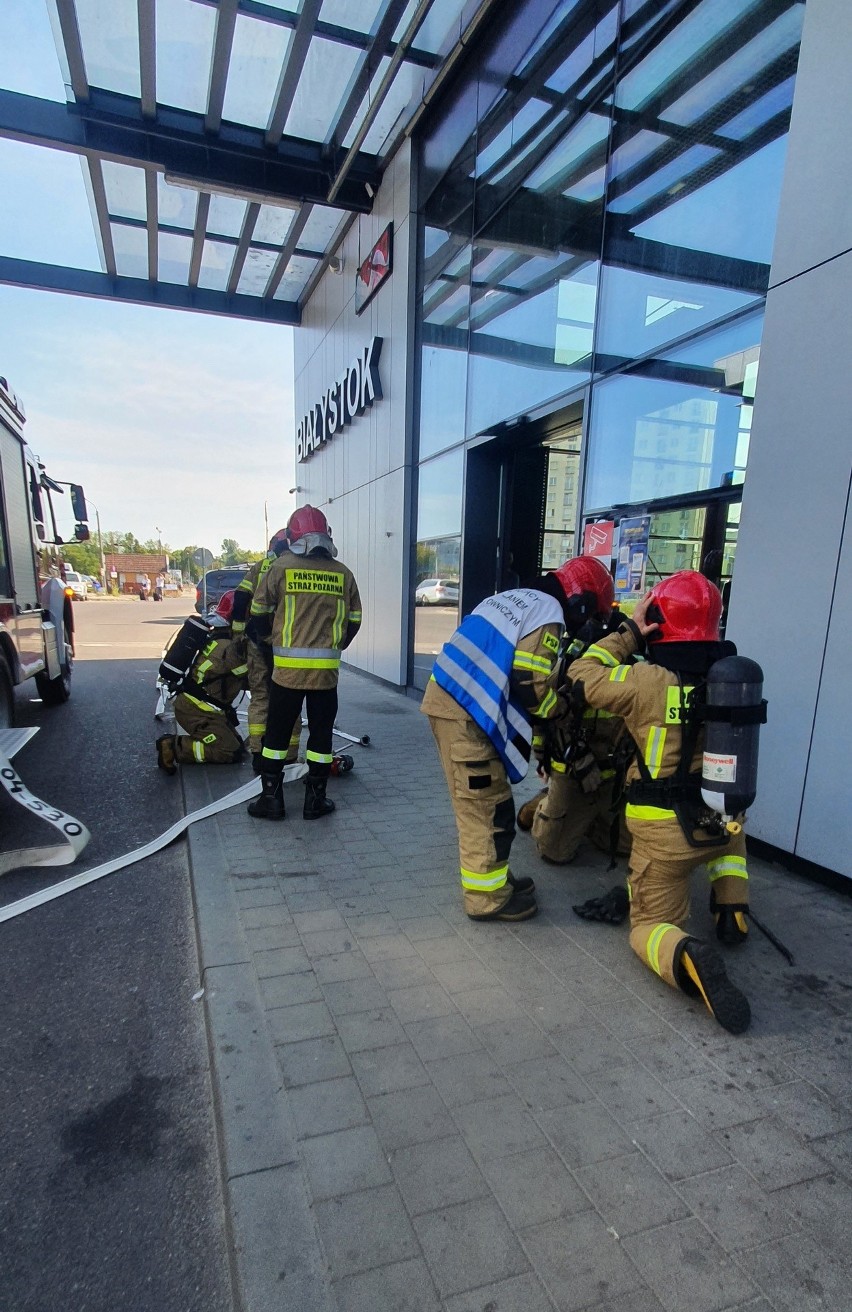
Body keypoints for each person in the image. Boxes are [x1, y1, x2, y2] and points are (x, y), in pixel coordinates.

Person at [571, 571, 752, 1033]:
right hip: (717, 816)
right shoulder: (731, 678)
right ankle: (732, 911)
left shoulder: (646, 680)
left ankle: (686, 955)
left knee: (645, 926)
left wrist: (628, 633)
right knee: (732, 833)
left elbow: (579, 677)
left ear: (659, 621)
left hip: (662, 830)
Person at [420, 556, 616, 923]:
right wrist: (560, 709)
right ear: (581, 602)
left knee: (484, 802)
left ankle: (495, 876)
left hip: (453, 703)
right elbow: (532, 681)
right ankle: (487, 898)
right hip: (466, 714)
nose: (583, 627)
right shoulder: (548, 614)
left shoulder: (514, 599)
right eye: (588, 617)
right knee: (487, 808)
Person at [246, 505, 361, 822]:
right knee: (322, 738)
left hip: (286, 675)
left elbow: (257, 612)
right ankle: (315, 801)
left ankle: (272, 800)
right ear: (327, 535)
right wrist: (334, 647)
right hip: (326, 677)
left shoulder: (281, 567)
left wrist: (271, 645)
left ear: (293, 536)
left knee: (276, 738)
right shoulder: (343, 573)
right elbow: (354, 620)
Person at [156, 590, 248, 773]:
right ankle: (174, 746)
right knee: (230, 751)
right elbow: (250, 681)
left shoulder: (218, 637)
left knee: (239, 746)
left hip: (198, 706)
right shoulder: (230, 648)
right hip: (197, 711)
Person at [231, 528, 295, 774]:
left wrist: (238, 633)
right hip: (287, 645)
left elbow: (240, 598)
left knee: (260, 697)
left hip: (258, 642)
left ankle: (258, 754)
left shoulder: (260, 567)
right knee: (290, 701)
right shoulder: (296, 567)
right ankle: (289, 757)